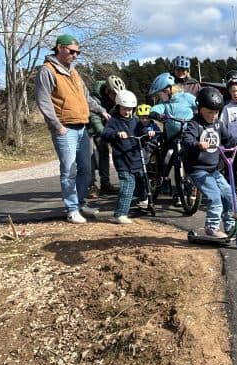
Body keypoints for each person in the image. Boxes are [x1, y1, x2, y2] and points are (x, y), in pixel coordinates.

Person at [35, 33, 109, 224]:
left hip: (82, 127)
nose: (75, 55)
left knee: (86, 169)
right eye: (72, 51)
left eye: (78, 53)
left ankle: (80, 203)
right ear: (60, 48)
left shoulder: (74, 72)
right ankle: (72, 209)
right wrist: (57, 126)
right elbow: (43, 101)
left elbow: (86, 97)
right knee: (69, 171)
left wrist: (101, 111)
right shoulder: (47, 70)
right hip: (64, 129)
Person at [181, 87, 237, 238]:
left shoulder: (218, 124)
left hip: (213, 169)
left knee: (229, 194)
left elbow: (229, 140)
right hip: (197, 169)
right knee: (215, 197)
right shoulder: (194, 124)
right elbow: (186, 140)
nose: (213, 116)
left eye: (216, 112)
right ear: (200, 109)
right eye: (209, 112)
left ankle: (231, 227)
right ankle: (211, 227)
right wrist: (197, 144)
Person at [101, 91, 156, 224]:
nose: (127, 112)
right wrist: (117, 134)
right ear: (118, 107)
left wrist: (149, 133)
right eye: (124, 109)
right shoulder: (114, 121)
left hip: (137, 158)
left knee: (142, 181)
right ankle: (120, 214)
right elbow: (105, 133)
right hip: (123, 160)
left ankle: (143, 200)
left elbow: (143, 130)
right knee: (127, 186)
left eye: (130, 109)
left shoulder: (136, 121)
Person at [149, 72, 198, 207]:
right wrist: (155, 114)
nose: (162, 94)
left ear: (169, 89)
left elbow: (198, 105)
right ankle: (165, 184)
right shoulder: (166, 104)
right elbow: (156, 109)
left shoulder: (187, 97)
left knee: (193, 161)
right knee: (167, 162)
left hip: (188, 135)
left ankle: (193, 189)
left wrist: (198, 113)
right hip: (173, 139)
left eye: (162, 91)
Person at [87, 74, 126, 197]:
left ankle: (105, 183)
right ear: (107, 91)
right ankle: (91, 186)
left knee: (104, 153)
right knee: (90, 155)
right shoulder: (95, 98)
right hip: (88, 128)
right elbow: (94, 119)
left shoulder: (115, 99)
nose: (116, 98)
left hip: (103, 127)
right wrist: (107, 133)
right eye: (114, 94)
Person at [133, 104, 161, 210]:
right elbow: (135, 133)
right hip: (142, 148)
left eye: (146, 117)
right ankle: (141, 194)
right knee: (140, 171)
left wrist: (155, 133)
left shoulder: (153, 125)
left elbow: (158, 133)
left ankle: (159, 178)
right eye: (142, 118)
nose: (144, 120)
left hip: (153, 147)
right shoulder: (137, 125)